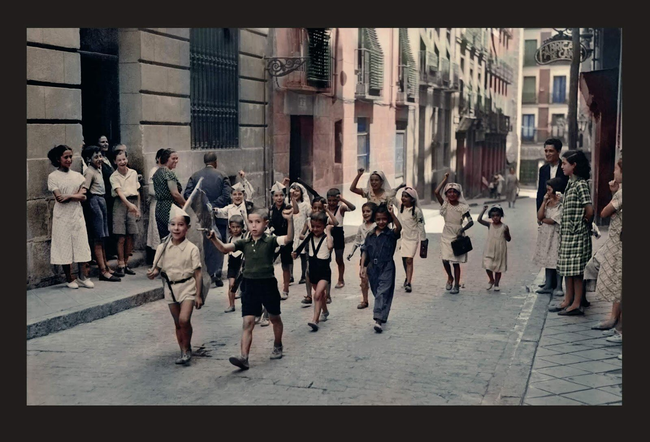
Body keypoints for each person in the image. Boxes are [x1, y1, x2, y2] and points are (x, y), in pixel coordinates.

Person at [206, 207, 294, 370]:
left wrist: (290, 220)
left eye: (258, 222)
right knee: (248, 322)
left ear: (265, 224)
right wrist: (213, 239)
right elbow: (224, 248)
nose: (253, 226)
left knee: (275, 318)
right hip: (249, 285)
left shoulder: (270, 241)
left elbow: (288, 239)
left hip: (267, 284)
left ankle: (278, 344)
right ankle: (244, 357)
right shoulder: (244, 243)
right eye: (251, 222)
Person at [147, 205, 203, 365]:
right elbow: (157, 268)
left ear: (187, 228)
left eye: (180, 225)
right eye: (173, 224)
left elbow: (198, 273)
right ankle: (184, 350)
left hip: (188, 287)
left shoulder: (192, 249)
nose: (176, 228)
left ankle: (187, 347)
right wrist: (153, 273)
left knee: (184, 320)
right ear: (168, 227)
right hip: (170, 288)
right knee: (178, 322)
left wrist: (198, 295)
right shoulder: (162, 247)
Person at [551, 150, 594, 316]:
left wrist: (581, 226)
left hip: (577, 235)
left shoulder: (581, 184)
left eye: (564, 163)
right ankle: (567, 300)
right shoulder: (570, 183)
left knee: (577, 272)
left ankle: (576, 303)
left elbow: (589, 209)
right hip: (567, 235)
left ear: (574, 165)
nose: (562, 166)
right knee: (567, 269)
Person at [47, 145, 94, 289]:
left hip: (76, 214)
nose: (69, 160)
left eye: (70, 156)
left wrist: (68, 196)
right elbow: (59, 198)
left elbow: (83, 197)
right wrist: (75, 195)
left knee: (81, 243)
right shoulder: (53, 177)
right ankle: (69, 278)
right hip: (62, 216)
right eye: (65, 157)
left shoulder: (78, 176)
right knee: (64, 244)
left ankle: (83, 277)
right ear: (58, 159)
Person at [183, 152, 232, 287]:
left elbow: (188, 194)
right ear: (215, 162)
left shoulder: (195, 176)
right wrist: (213, 205)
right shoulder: (222, 175)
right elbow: (227, 195)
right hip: (219, 214)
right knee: (219, 241)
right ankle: (217, 273)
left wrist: (202, 205)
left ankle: (208, 271)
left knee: (206, 243)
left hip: (202, 215)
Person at [590, 158, 622, 342]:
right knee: (618, 282)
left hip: (619, 242)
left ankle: (619, 327)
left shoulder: (623, 193)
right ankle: (615, 321)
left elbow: (604, 212)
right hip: (617, 240)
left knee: (618, 281)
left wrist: (614, 195)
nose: (613, 173)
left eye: (616, 170)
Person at [360, 203, 402, 333]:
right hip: (372, 268)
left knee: (382, 293)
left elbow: (399, 228)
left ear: (388, 220)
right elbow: (365, 251)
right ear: (374, 219)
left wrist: (392, 214)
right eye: (378, 219)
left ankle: (378, 320)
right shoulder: (370, 235)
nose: (381, 222)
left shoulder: (391, 234)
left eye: (384, 219)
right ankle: (383, 314)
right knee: (376, 292)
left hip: (387, 266)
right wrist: (362, 267)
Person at [82, 146, 120, 282]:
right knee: (98, 237)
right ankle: (102, 271)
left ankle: (106, 267)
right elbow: (85, 190)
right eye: (96, 157)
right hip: (95, 202)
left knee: (103, 237)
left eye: (100, 156)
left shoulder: (99, 169)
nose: (99, 159)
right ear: (88, 159)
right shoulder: (89, 172)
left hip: (102, 200)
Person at [434, 173, 474, 294]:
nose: (452, 194)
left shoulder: (463, 207)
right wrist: (445, 179)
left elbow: (471, 222)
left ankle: (456, 285)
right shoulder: (445, 205)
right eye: (449, 192)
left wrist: (462, 230)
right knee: (445, 259)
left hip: (457, 236)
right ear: (446, 194)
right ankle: (450, 277)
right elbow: (436, 192)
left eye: (454, 192)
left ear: (459, 194)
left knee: (456, 263)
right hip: (446, 234)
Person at [300, 212, 333, 332]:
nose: (315, 229)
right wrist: (308, 225)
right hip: (313, 271)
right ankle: (325, 311)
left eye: (318, 227)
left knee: (317, 294)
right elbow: (301, 237)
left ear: (324, 226)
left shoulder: (327, 238)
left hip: (324, 272)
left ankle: (315, 320)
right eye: (313, 226)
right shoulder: (310, 237)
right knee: (320, 295)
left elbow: (330, 246)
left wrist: (328, 231)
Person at [110, 149, 141, 276]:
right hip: (120, 203)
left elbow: (137, 191)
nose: (122, 162)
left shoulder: (133, 173)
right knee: (121, 236)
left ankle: (127, 263)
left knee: (130, 234)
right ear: (115, 162)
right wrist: (130, 206)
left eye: (124, 159)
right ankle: (121, 264)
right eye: (119, 160)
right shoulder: (114, 176)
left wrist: (137, 207)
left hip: (132, 202)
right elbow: (119, 193)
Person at [533, 177, 564, 295]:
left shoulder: (560, 203)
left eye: (549, 190)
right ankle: (548, 285)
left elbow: (553, 220)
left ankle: (558, 286)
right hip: (546, 234)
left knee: (556, 259)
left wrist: (542, 220)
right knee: (547, 257)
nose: (547, 192)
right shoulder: (547, 202)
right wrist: (543, 202)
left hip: (555, 234)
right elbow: (539, 215)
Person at [395, 187, 426, 293]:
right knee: (404, 259)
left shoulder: (417, 211)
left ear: (412, 199)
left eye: (406, 196)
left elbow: (421, 226)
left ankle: (408, 282)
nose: (403, 198)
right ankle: (407, 276)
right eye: (402, 196)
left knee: (409, 259)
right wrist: (398, 187)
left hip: (412, 239)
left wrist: (423, 239)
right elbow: (392, 198)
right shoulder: (400, 207)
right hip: (403, 238)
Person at [348, 202, 377, 309]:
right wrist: (351, 252)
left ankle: (379, 298)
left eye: (368, 211)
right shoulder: (361, 227)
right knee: (363, 278)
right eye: (363, 211)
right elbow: (357, 240)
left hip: (375, 255)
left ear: (374, 213)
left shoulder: (376, 226)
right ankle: (365, 300)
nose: (365, 213)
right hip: (364, 255)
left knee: (376, 278)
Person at [326, 188, 356, 289]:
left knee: (339, 258)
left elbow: (353, 207)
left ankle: (340, 279)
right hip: (328, 233)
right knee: (326, 258)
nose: (332, 203)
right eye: (330, 200)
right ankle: (326, 279)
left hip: (338, 233)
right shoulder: (325, 208)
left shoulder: (341, 208)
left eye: (334, 200)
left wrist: (342, 199)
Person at [152, 149, 184, 240]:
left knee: (164, 238)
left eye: (177, 158)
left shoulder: (157, 173)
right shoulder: (168, 173)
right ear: (166, 159)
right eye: (173, 158)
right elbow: (175, 193)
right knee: (175, 237)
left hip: (159, 208)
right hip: (170, 208)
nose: (176, 161)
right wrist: (185, 204)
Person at [478, 205, 511, 291]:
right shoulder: (490, 225)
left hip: (500, 249)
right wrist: (483, 210)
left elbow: (508, 239)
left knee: (498, 267)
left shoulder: (505, 227)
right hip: (490, 248)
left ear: (501, 215)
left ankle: (496, 283)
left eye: (497, 215)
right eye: (493, 216)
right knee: (487, 265)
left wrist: (506, 233)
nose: (495, 217)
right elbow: (479, 220)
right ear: (490, 216)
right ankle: (491, 279)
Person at [268, 181, 292, 300]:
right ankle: (271, 288)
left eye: (281, 195)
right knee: (269, 263)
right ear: (272, 197)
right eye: (276, 195)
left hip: (286, 239)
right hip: (274, 239)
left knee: (285, 265)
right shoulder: (271, 210)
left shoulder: (287, 208)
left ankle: (285, 289)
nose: (279, 198)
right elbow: (268, 222)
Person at [97, 136, 118, 258]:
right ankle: (108, 252)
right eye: (102, 142)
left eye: (106, 142)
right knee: (106, 223)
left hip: (112, 195)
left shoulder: (109, 158)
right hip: (105, 196)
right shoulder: (99, 161)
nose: (105, 144)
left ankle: (112, 250)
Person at [288, 182, 312, 286]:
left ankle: (303, 275)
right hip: (292, 230)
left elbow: (309, 217)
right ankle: (290, 275)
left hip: (302, 230)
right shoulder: (288, 204)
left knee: (303, 254)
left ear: (302, 193)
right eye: (293, 191)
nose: (295, 193)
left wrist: (306, 230)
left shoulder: (305, 205)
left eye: (297, 191)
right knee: (290, 253)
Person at [536, 138, 569, 211]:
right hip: (546, 208)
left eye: (551, 151)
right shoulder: (543, 169)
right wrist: (539, 211)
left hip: (561, 209)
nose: (547, 154)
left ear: (558, 152)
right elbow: (540, 192)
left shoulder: (565, 168)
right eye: (546, 151)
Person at [146, 149, 165, 264]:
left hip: (165, 204)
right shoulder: (154, 171)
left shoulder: (166, 170)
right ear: (158, 158)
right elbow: (152, 191)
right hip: (157, 203)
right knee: (156, 230)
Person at [224, 215, 245, 313]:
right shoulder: (230, 239)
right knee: (231, 285)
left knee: (244, 287)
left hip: (242, 265)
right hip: (232, 265)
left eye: (238, 227)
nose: (235, 229)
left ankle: (246, 304)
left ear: (242, 227)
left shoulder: (244, 238)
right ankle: (231, 305)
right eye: (233, 227)